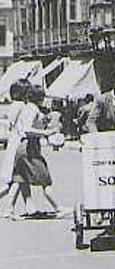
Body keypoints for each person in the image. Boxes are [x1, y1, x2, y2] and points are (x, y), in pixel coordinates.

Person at [12, 85, 64, 218]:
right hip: (29, 147)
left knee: (23, 179)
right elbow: (28, 130)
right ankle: (58, 208)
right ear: (39, 97)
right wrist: (46, 133)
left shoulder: (28, 108)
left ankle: (30, 208)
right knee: (45, 178)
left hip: (22, 147)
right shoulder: (33, 109)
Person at [0, 81, 30, 219]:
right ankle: (9, 209)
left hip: (14, 141)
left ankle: (15, 208)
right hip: (18, 142)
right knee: (17, 179)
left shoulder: (14, 106)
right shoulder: (21, 106)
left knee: (17, 179)